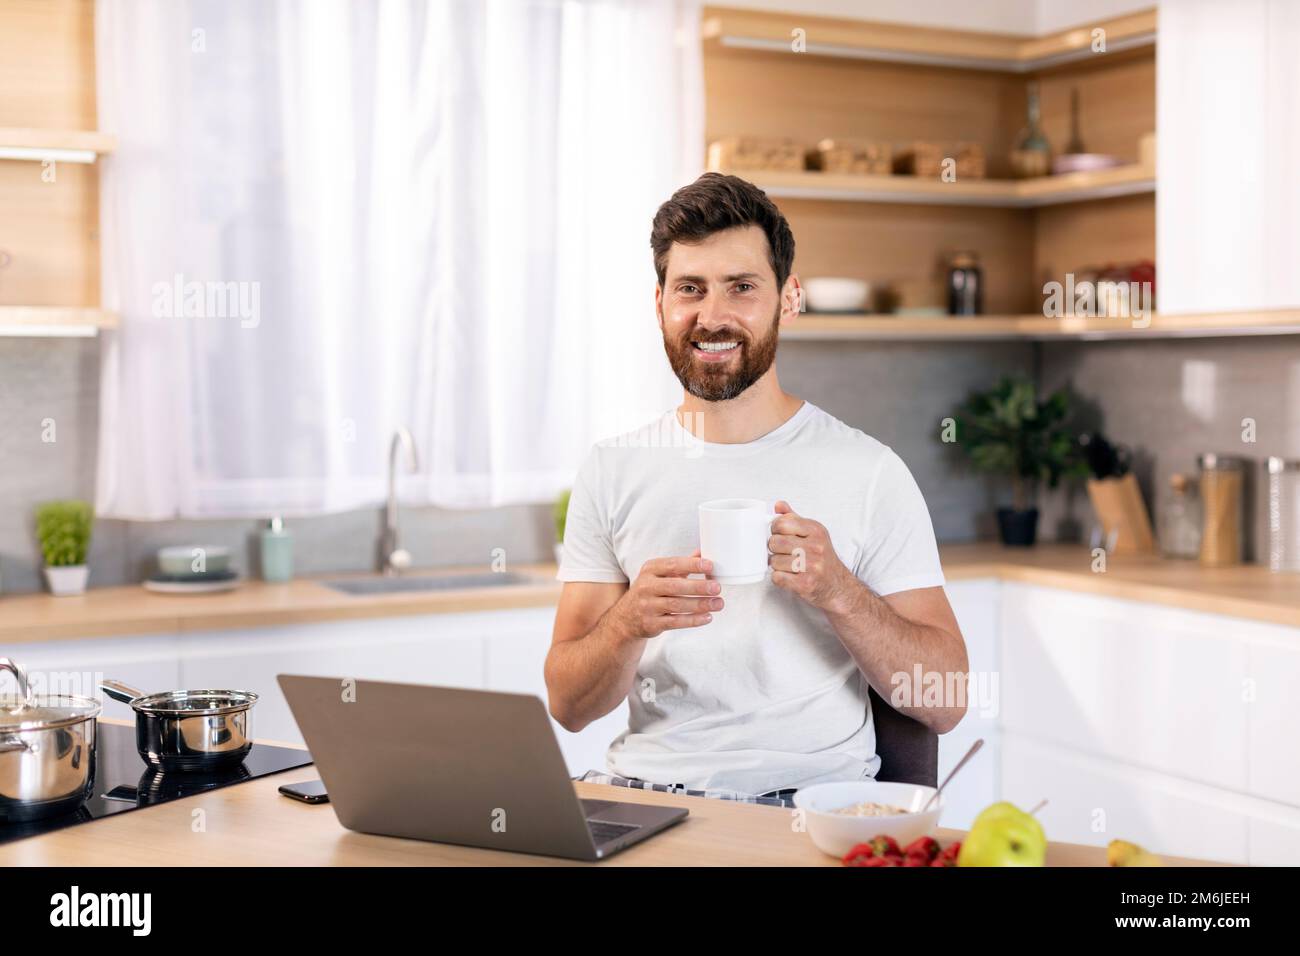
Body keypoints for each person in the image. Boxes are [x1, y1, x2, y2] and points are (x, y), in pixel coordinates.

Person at [545, 172, 967, 798]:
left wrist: (838, 590)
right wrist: (628, 621)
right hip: (649, 797)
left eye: (741, 287)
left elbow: (946, 701)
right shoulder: (613, 469)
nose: (712, 317)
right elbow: (568, 704)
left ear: (788, 298)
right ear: (659, 302)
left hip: (809, 808)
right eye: (690, 288)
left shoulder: (869, 470)